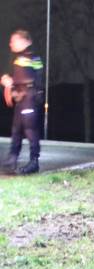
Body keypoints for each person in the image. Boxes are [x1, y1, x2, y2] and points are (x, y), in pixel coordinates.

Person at [1, 30, 44, 175]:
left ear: (25, 41)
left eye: (14, 40)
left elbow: (31, 78)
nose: (11, 43)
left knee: (30, 130)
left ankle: (34, 162)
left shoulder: (32, 57)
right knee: (16, 130)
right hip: (22, 100)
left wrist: (11, 81)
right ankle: (13, 157)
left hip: (29, 99)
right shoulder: (19, 58)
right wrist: (11, 85)